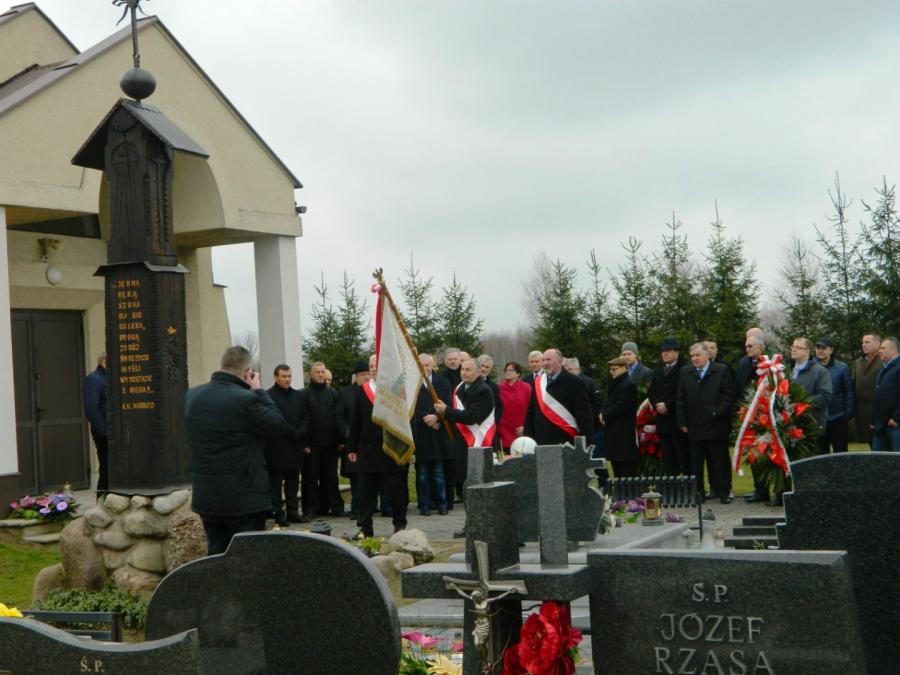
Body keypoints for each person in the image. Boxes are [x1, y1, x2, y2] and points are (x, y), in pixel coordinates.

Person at [184, 346, 290, 555]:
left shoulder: (193, 395)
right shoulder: (246, 399)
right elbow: (278, 425)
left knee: (216, 556)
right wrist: (259, 390)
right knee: (246, 560)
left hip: (207, 496)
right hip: (244, 498)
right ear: (247, 372)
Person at [348, 355, 408, 537]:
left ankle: (399, 525)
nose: (374, 368)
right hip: (368, 449)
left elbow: (405, 419)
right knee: (365, 492)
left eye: (377, 365)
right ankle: (365, 528)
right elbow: (356, 420)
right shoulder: (362, 390)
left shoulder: (396, 390)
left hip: (391, 448)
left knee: (395, 489)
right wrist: (352, 447)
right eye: (371, 366)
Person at [677, 342, 735, 504]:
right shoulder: (686, 372)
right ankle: (698, 493)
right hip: (694, 425)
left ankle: (724, 492)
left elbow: (729, 394)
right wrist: (682, 421)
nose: (695, 359)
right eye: (692, 356)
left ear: (707, 355)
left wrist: (718, 412)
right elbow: (680, 397)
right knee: (696, 463)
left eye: (698, 355)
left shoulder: (721, 370)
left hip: (716, 424)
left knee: (719, 461)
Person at [434, 358, 495, 500]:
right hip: (462, 440)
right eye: (462, 369)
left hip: (477, 440)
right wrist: (441, 415)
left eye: (468, 370)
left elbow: (472, 417)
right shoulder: (461, 388)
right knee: (463, 478)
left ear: (478, 372)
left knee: (476, 481)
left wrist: (446, 411)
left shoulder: (483, 390)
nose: (464, 373)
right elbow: (456, 411)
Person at [299, 361, 348, 518]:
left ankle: (334, 508)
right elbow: (302, 419)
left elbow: (338, 417)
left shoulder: (333, 394)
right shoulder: (303, 395)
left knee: (331, 477)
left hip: (331, 443)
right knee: (310, 478)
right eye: (317, 372)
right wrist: (304, 443)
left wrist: (341, 440)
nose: (320, 374)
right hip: (311, 445)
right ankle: (310, 510)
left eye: (322, 372)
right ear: (311, 375)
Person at [523, 349, 593, 445]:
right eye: (543, 360)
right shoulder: (538, 382)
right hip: (542, 441)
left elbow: (583, 414)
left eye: (548, 360)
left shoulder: (574, 382)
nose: (545, 363)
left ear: (560, 362)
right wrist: (527, 439)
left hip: (566, 440)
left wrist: (585, 442)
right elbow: (531, 413)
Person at [265, 364, 306, 526]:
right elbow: (274, 419)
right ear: (276, 377)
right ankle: (278, 513)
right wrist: (292, 432)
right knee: (275, 484)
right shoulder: (268, 396)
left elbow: (305, 417)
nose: (287, 379)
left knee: (293, 482)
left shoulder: (298, 395)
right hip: (277, 446)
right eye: (284, 376)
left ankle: (293, 511)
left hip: (295, 446)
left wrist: (301, 432)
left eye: (289, 376)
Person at [414, 353, 452, 515]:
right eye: (421, 365)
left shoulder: (442, 382)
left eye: (427, 365)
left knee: (438, 472)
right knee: (422, 473)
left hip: (438, 432)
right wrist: (427, 419)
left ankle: (442, 503)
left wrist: (437, 417)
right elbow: (411, 407)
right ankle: (425, 504)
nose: (424, 368)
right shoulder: (412, 385)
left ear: (432, 366)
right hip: (421, 432)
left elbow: (448, 402)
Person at [736, 332, 770, 503]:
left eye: (750, 346)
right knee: (754, 453)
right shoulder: (744, 363)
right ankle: (760, 489)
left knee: (770, 454)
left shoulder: (772, 361)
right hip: (750, 414)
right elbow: (740, 386)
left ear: (761, 347)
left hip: (768, 414)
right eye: (746, 346)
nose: (747, 349)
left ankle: (778, 490)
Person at [648, 339, 689, 476]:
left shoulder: (684, 369)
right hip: (663, 423)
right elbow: (651, 392)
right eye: (663, 351)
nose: (665, 354)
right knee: (668, 460)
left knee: (683, 458)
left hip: (677, 421)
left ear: (677, 352)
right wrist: (657, 405)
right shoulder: (657, 370)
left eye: (668, 351)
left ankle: (687, 485)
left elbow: (683, 392)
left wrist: (668, 405)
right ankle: (672, 485)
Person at [339, 361, 370, 520]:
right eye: (363, 374)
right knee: (356, 479)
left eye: (368, 374)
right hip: (353, 442)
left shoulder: (374, 391)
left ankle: (371, 506)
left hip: (370, 442)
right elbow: (339, 417)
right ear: (356, 376)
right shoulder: (345, 393)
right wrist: (348, 433)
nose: (366, 377)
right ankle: (356, 509)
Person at [599, 357, 639, 477]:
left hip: (623, 433)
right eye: (611, 370)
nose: (611, 372)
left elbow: (621, 406)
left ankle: (628, 489)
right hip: (613, 432)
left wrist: (605, 416)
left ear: (624, 368)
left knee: (625, 469)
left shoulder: (629, 385)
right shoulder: (614, 384)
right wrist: (602, 414)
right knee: (616, 468)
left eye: (614, 369)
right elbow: (607, 402)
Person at [815, 337, 854, 455]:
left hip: (838, 417)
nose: (820, 351)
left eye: (823, 348)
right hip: (819, 418)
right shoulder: (812, 367)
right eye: (818, 348)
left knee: (841, 453)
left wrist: (847, 414)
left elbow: (848, 392)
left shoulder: (842, 367)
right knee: (820, 453)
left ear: (831, 350)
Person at [790, 337, 832, 431]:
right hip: (791, 424)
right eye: (793, 346)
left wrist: (803, 405)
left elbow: (826, 396)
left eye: (798, 347)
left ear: (807, 351)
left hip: (811, 424)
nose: (793, 349)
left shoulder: (820, 371)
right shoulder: (788, 371)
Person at [83, 353, 109, 496]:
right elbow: (91, 408)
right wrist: (103, 431)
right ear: (104, 361)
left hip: (113, 431)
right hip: (104, 431)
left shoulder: (109, 378)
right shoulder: (93, 379)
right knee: (106, 467)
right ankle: (102, 498)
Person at [871, 337, 900, 452]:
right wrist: (874, 420)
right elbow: (879, 396)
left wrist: (896, 418)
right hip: (880, 425)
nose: (879, 351)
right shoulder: (884, 369)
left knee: (896, 460)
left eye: (883, 348)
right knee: (878, 460)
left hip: (895, 425)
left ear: (893, 350)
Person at [853, 332, 882, 445]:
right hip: (862, 411)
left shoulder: (883, 361)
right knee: (870, 444)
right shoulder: (858, 363)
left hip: (879, 410)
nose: (863, 345)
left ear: (877, 345)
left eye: (867, 342)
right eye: (862, 342)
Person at [563, 357, 602, 439]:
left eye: (568, 370)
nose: (566, 373)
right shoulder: (567, 383)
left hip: (590, 425)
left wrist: (587, 416)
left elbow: (598, 403)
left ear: (576, 369)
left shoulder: (589, 383)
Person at [497, 361, 531, 451]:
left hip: (521, 431)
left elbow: (531, 409)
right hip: (503, 431)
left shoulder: (526, 387)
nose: (507, 372)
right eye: (506, 370)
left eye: (511, 370)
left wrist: (526, 427)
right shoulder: (499, 388)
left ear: (518, 374)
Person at [477, 354, 504, 453]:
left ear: (490, 369)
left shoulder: (494, 387)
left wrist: (493, 422)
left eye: (487, 367)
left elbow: (499, 406)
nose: (483, 369)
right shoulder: (467, 384)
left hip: (489, 428)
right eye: (482, 366)